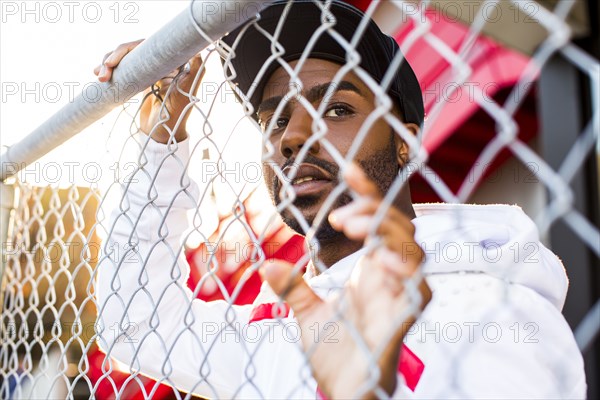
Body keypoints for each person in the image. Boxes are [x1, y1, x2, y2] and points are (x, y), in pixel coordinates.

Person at [95, 1, 586, 398]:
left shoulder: (494, 316)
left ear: (404, 140)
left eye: (336, 107)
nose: (294, 138)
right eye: (276, 119)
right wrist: (160, 136)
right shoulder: (278, 326)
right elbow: (134, 320)